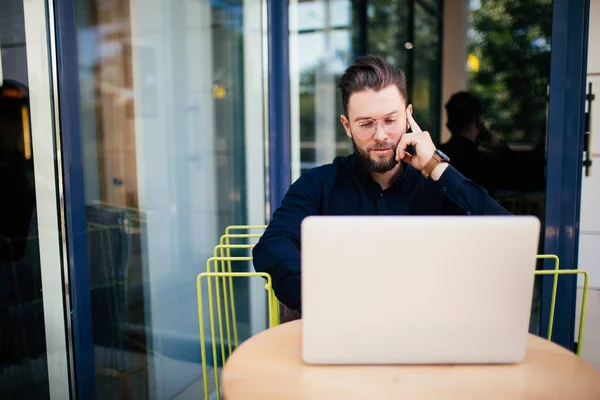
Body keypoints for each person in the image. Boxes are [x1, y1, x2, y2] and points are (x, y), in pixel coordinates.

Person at [252, 54, 510, 322]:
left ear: (408, 117)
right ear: (347, 126)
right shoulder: (318, 185)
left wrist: (437, 167)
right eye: (366, 124)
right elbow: (272, 246)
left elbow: (507, 237)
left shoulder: (437, 184)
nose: (381, 135)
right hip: (343, 333)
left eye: (390, 120)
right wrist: (324, 302)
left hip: (428, 329)